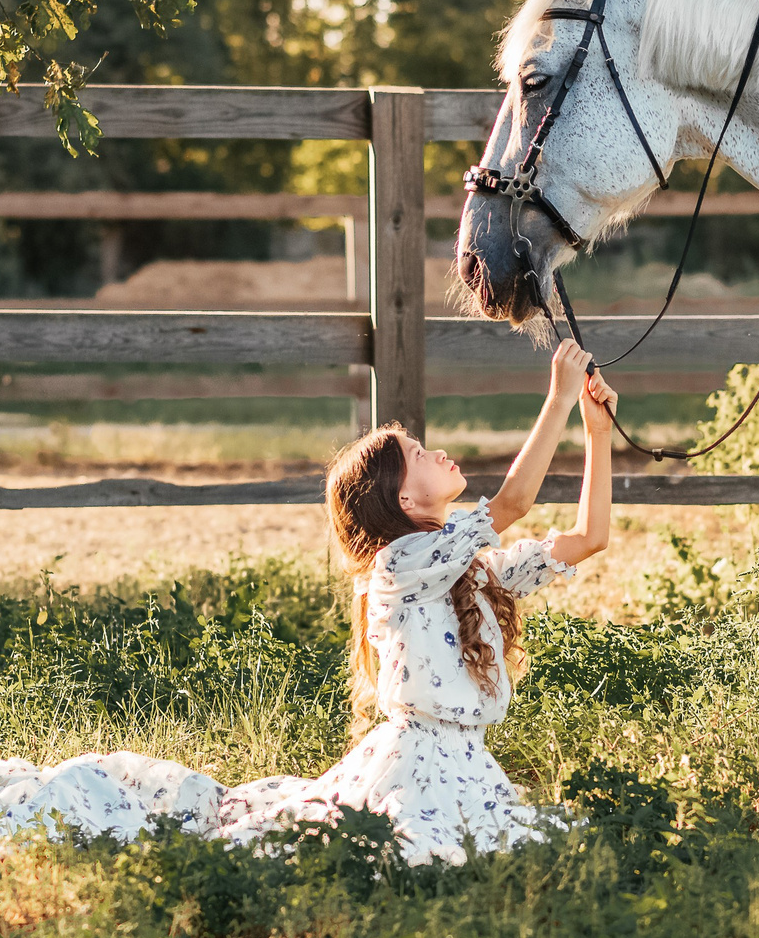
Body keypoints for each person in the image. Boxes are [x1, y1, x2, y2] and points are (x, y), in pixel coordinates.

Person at [213, 340, 617, 862]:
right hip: (416, 764)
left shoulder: (467, 566)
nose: (439, 453)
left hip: (470, 763)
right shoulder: (400, 567)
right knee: (415, 857)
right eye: (419, 456)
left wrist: (598, 432)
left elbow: (589, 538)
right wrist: (559, 397)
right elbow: (513, 502)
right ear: (403, 500)